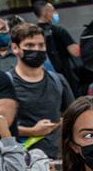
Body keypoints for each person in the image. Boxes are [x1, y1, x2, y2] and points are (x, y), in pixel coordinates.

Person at [9, 24, 75, 158]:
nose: (37, 50)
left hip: (61, 155)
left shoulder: (58, 80)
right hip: (27, 159)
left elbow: (72, 114)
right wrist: (32, 131)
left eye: (41, 45)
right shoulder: (6, 83)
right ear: (15, 48)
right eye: (30, 45)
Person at [34, 0, 83, 95]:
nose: (55, 13)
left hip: (45, 77)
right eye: (53, 10)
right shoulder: (59, 31)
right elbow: (75, 52)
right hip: (65, 75)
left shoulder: (33, 33)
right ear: (45, 12)